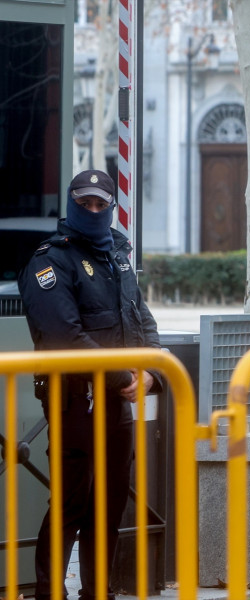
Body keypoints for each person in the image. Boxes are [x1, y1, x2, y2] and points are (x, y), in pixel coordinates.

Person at [18, 169, 163, 600]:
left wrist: (152, 372)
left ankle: (98, 591)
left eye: (102, 204)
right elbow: (64, 336)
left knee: (110, 503)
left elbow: (143, 319)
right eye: (86, 204)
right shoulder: (50, 260)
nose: (94, 211)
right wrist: (125, 378)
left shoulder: (117, 255)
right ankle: (49, 593)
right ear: (70, 204)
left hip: (116, 402)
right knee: (70, 503)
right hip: (72, 401)